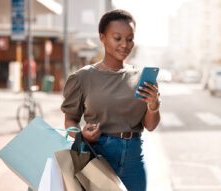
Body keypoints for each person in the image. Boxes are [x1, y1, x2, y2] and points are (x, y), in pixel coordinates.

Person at [61, 9, 161, 191]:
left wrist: (153, 107)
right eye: (117, 38)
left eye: (130, 39)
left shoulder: (142, 78)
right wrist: (82, 135)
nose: (125, 44)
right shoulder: (82, 78)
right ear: (102, 37)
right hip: (98, 157)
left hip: (134, 161)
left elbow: (151, 126)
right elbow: (70, 121)